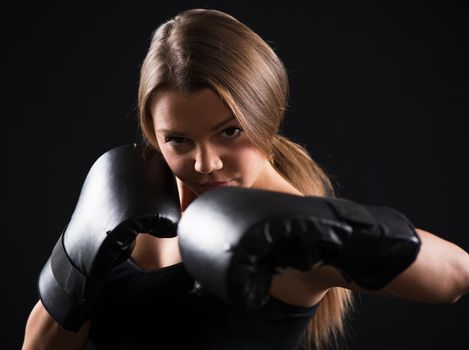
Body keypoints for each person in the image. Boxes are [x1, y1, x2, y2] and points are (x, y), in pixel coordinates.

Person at [22, 8, 469, 350]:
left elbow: (455, 274)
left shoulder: (287, 229)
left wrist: (336, 233)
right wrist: (75, 269)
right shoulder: (127, 195)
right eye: (177, 139)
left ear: (267, 115)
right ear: (151, 132)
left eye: (230, 132)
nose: (205, 164)